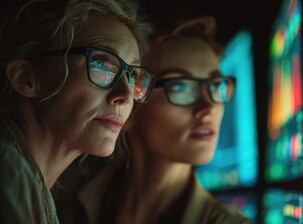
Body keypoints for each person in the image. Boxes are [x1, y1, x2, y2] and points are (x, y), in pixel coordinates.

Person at [56, 12, 252, 224]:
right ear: (128, 100)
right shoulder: (62, 195)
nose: (208, 107)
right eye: (180, 87)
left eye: (215, 86)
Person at [0, 0, 155, 223]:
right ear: (27, 78)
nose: (126, 95)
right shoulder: (8, 173)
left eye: (133, 75)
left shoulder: (31, 188)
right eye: (102, 65)